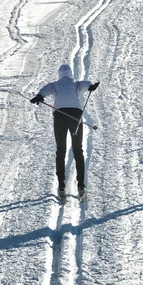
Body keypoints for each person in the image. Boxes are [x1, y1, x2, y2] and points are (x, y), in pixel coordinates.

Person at [30, 64, 99, 198]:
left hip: (60, 115)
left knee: (61, 149)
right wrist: (91, 86)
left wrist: (39, 96)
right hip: (75, 115)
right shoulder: (76, 84)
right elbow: (85, 85)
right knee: (78, 149)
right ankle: (81, 186)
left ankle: (61, 186)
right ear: (71, 74)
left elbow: (45, 90)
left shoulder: (55, 85)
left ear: (59, 74)